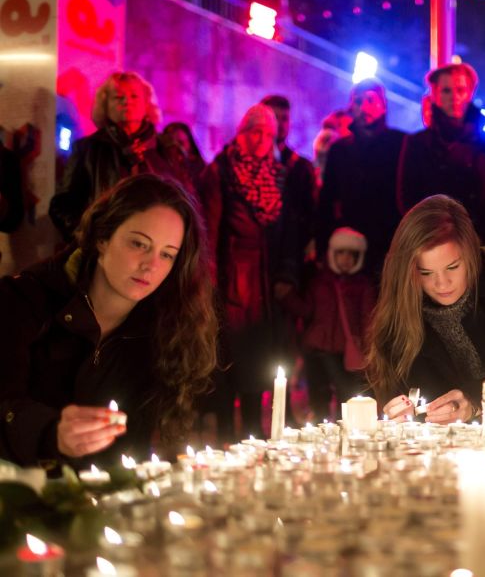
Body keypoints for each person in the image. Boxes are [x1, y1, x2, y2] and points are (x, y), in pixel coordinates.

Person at [0, 174, 218, 467]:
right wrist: (51, 433)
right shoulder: (24, 299)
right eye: (139, 244)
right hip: (26, 494)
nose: (150, 265)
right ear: (103, 238)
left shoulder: (166, 324)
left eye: (167, 255)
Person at [368, 195, 485, 423]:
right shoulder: (404, 307)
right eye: (426, 273)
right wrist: (403, 410)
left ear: (471, 253)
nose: (442, 283)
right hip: (447, 442)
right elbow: (398, 389)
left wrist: (473, 399)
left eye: (452, 267)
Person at [200, 103, 315, 440]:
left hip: (266, 285)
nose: (261, 139)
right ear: (241, 131)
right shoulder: (221, 169)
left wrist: (285, 275)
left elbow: (287, 231)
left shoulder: (278, 174)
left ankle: (253, 432)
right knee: (231, 361)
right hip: (234, 280)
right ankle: (227, 435)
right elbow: (210, 226)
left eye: (267, 133)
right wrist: (211, 281)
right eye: (254, 131)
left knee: (259, 361)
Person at [50, 71, 179, 240]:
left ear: (147, 104)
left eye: (134, 96)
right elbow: (62, 206)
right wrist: (88, 236)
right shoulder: (88, 149)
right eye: (118, 97)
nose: (127, 102)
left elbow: (184, 203)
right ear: (105, 105)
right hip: (105, 250)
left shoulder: (165, 149)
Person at [396, 62, 485, 247]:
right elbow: (408, 197)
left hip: (481, 241)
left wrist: (482, 235)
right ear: (434, 95)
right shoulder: (417, 143)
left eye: (460, 90)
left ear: (470, 93)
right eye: (446, 91)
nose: (454, 97)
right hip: (432, 241)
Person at [282, 227, 376, 421]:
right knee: (318, 395)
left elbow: (368, 318)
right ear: (332, 254)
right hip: (316, 348)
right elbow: (307, 309)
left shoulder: (362, 285)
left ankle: (347, 430)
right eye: (341, 253)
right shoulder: (319, 282)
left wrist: (369, 347)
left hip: (343, 352)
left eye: (352, 254)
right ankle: (320, 431)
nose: (346, 259)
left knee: (346, 395)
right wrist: (287, 297)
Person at [317, 79, 407, 278]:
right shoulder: (339, 149)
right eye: (358, 101)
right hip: (350, 242)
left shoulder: (402, 144)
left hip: (390, 240)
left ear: (383, 105)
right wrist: (323, 243)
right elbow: (327, 199)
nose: (364, 106)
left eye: (370, 100)